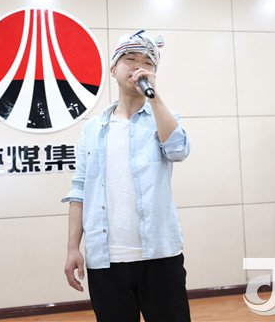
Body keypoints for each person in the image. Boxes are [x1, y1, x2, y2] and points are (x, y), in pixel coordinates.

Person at [62, 30, 191, 322]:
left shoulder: (164, 118)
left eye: (148, 62)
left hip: (160, 255)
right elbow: (79, 189)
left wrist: (155, 98)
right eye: (130, 59)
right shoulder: (93, 128)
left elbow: (179, 151)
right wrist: (72, 248)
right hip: (106, 260)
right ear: (113, 69)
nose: (138, 66)